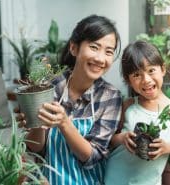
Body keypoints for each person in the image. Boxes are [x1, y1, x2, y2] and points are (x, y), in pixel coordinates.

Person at [18, 15, 122, 185]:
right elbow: (36, 149)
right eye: (94, 47)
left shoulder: (110, 96)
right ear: (74, 48)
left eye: (108, 51)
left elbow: (92, 157)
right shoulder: (50, 86)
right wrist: (35, 120)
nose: (100, 58)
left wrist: (64, 123)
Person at [104, 40, 170, 185]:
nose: (146, 80)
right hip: (115, 178)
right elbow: (108, 140)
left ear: (163, 69)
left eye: (151, 70)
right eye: (136, 75)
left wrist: (167, 148)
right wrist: (122, 138)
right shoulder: (128, 105)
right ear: (128, 81)